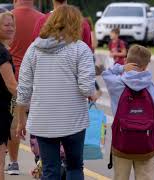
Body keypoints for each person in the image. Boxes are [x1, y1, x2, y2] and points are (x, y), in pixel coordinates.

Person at [16, 5, 98, 180]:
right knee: (75, 166)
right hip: (73, 120)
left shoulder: (34, 49)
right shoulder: (80, 49)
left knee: (50, 169)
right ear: (75, 24)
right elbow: (86, 88)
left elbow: (23, 89)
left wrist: (21, 120)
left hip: (42, 120)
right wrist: (92, 92)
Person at [102, 45, 154, 180]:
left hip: (122, 144)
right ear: (146, 66)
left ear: (126, 61)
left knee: (120, 177)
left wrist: (120, 68)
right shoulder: (151, 86)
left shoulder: (117, 84)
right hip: (146, 145)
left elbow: (106, 73)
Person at [4, 0, 43, 175]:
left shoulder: (7, 19)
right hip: (38, 79)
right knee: (40, 124)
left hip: (11, 78)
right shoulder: (43, 20)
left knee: (14, 123)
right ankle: (42, 161)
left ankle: (13, 162)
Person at [0, 8, 16, 180]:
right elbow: (12, 86)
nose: (11, 28)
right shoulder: (0, 52)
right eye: (6, 25)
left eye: (12, 25)